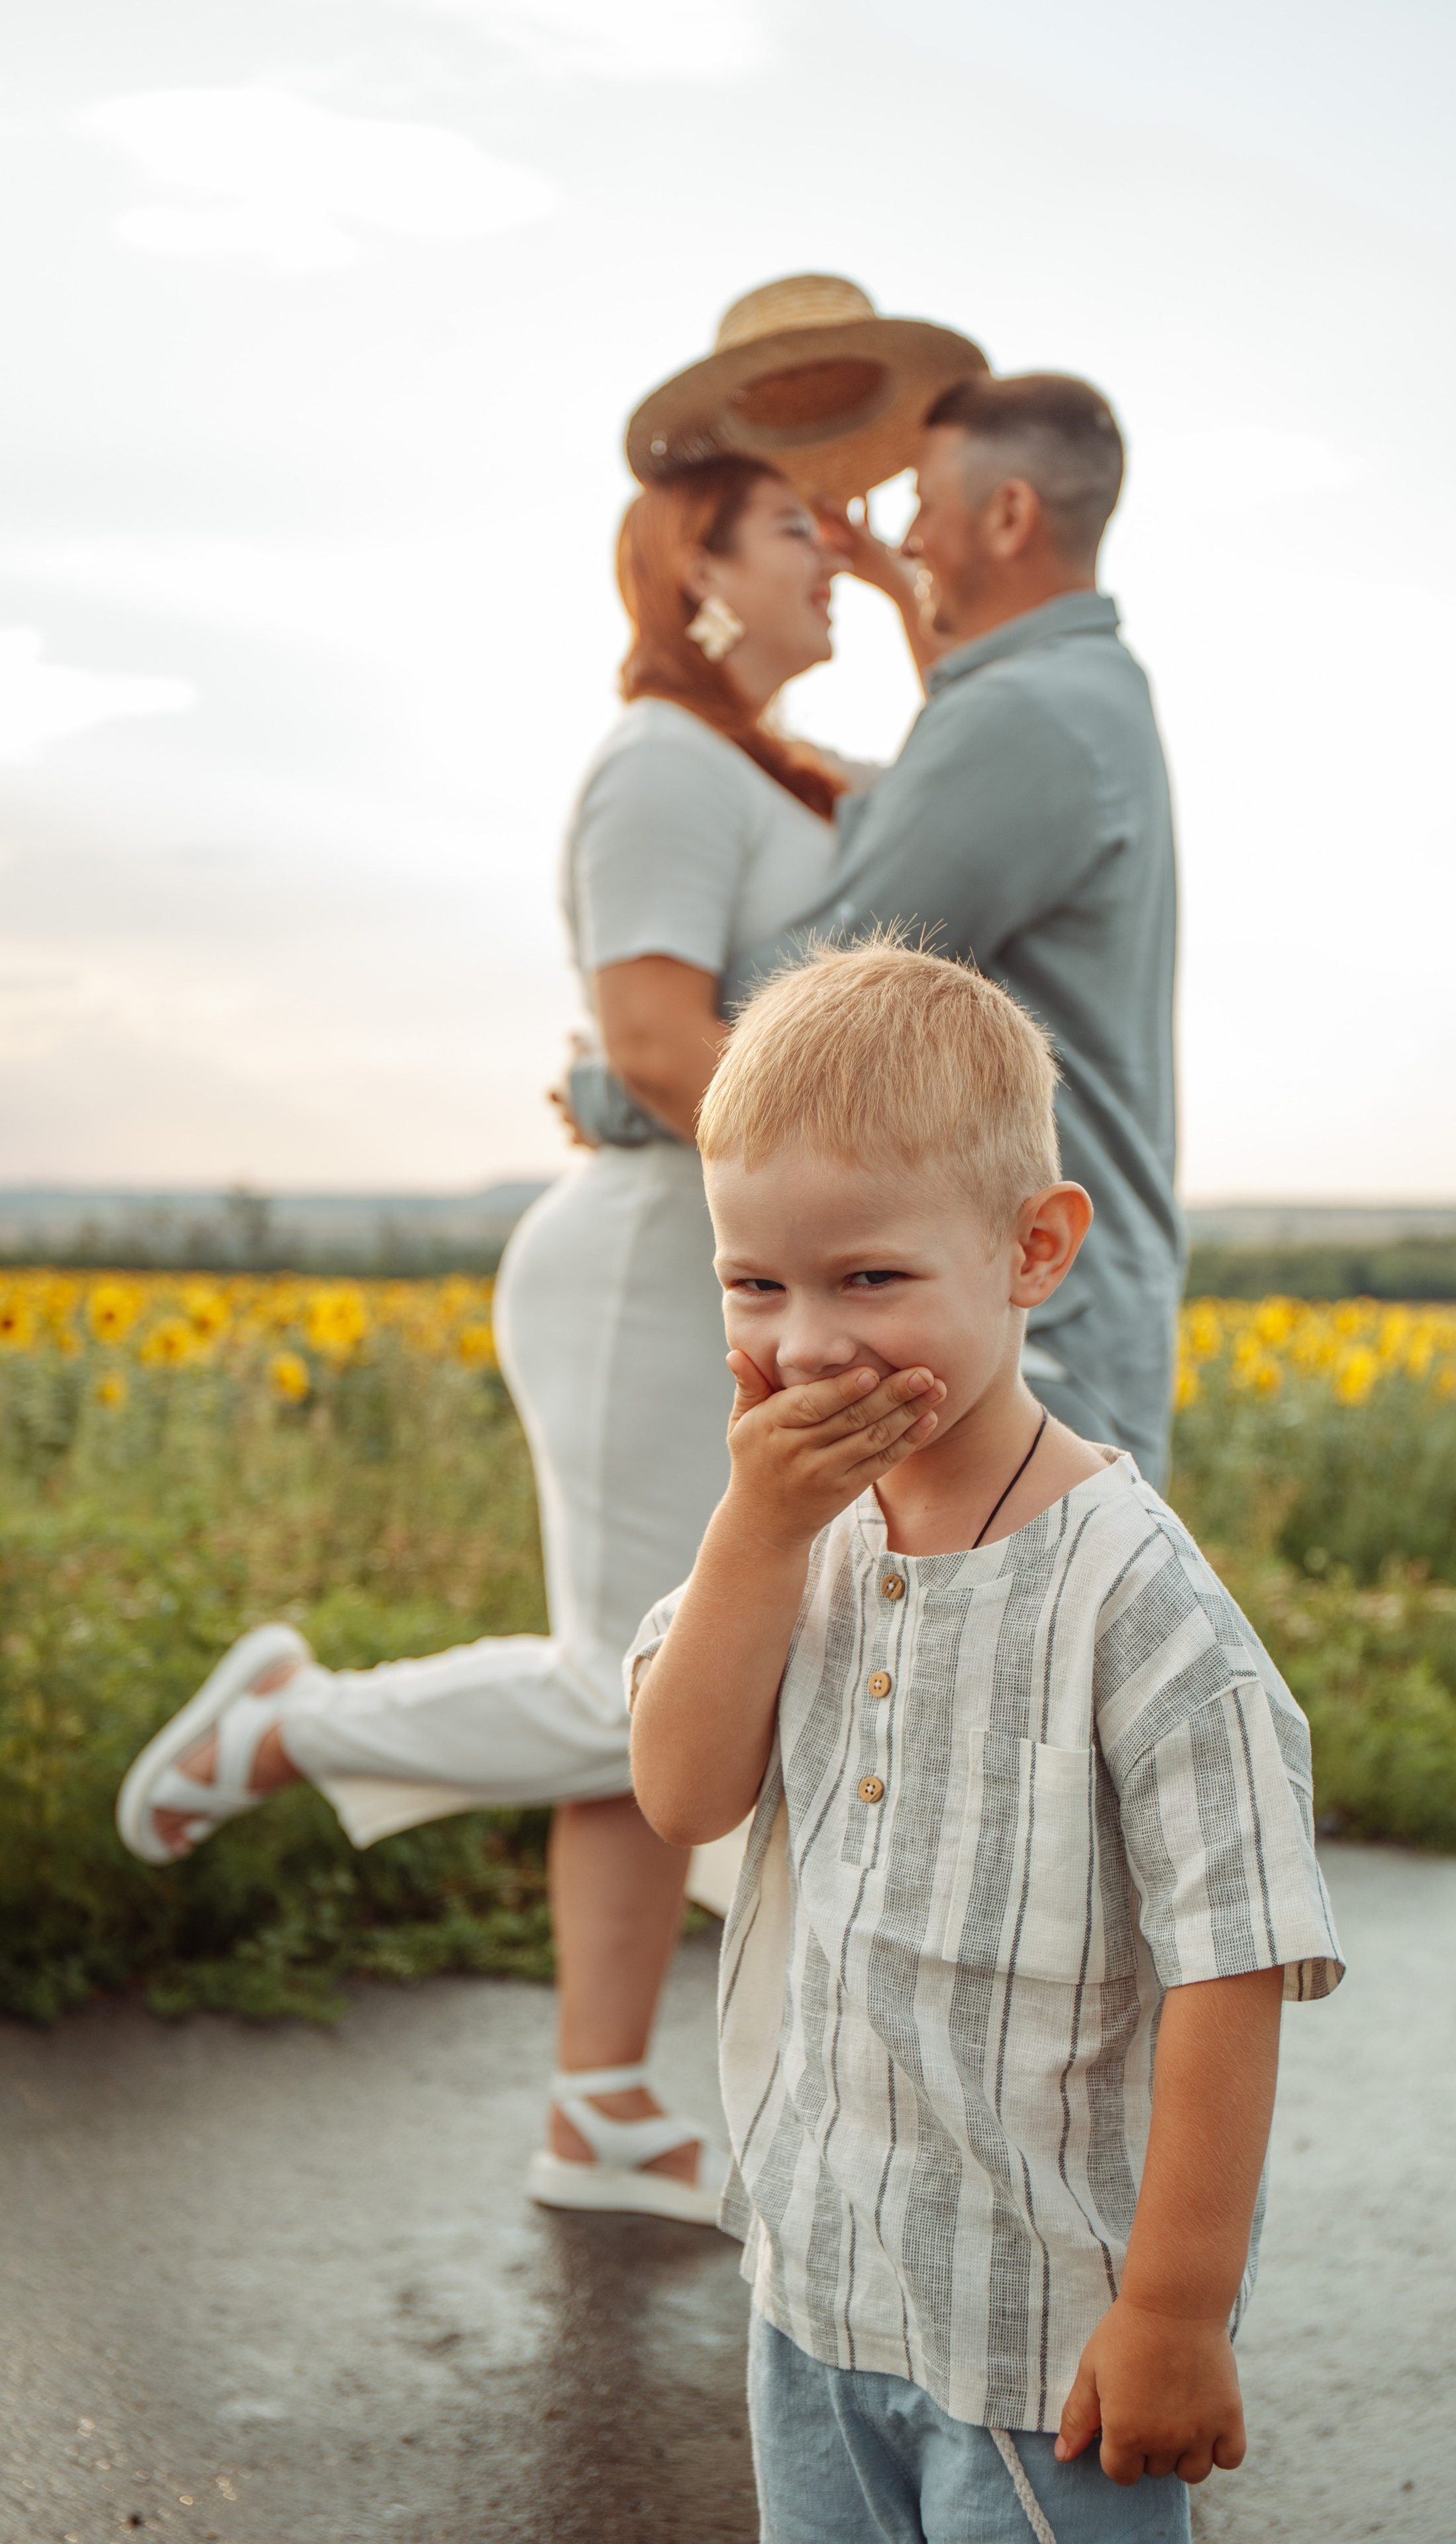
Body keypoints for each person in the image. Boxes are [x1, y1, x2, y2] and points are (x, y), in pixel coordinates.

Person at [114, 426, 940, 2222]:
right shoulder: (657, 761)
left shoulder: (801, 771)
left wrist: (897, 586)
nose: (832, 554)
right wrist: (872, 1199)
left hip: (703, 1256)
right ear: (697, 568)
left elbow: (961, 780)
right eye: (797, 532)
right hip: (652, 1266)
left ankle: (598, 2113)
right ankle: (287, 1728)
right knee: (637, 1684)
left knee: (632, 1672)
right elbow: (651, 1042)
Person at [626, 941, 1343, 2541]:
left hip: (1047, 2336)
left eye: (868, 1280)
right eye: (755, 1283)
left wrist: (1171, 2313)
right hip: (816, 2289)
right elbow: (681, 1794)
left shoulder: (1136, 1603)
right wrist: (752, 1531)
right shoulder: (788, 1533)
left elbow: (1228, 1964)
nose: (807, 1343)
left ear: (1033, 1248)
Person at [574, 369, 1184, 1486]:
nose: (897, 541)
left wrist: (615, 1076)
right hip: (1025, 1305)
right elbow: (936, 768)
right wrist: (911, 600)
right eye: (800, 530)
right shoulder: (1077, 694)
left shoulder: (1022, 719)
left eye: (924, 506)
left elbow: (825, 996)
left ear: (1007, 516)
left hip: (1026, 1330)